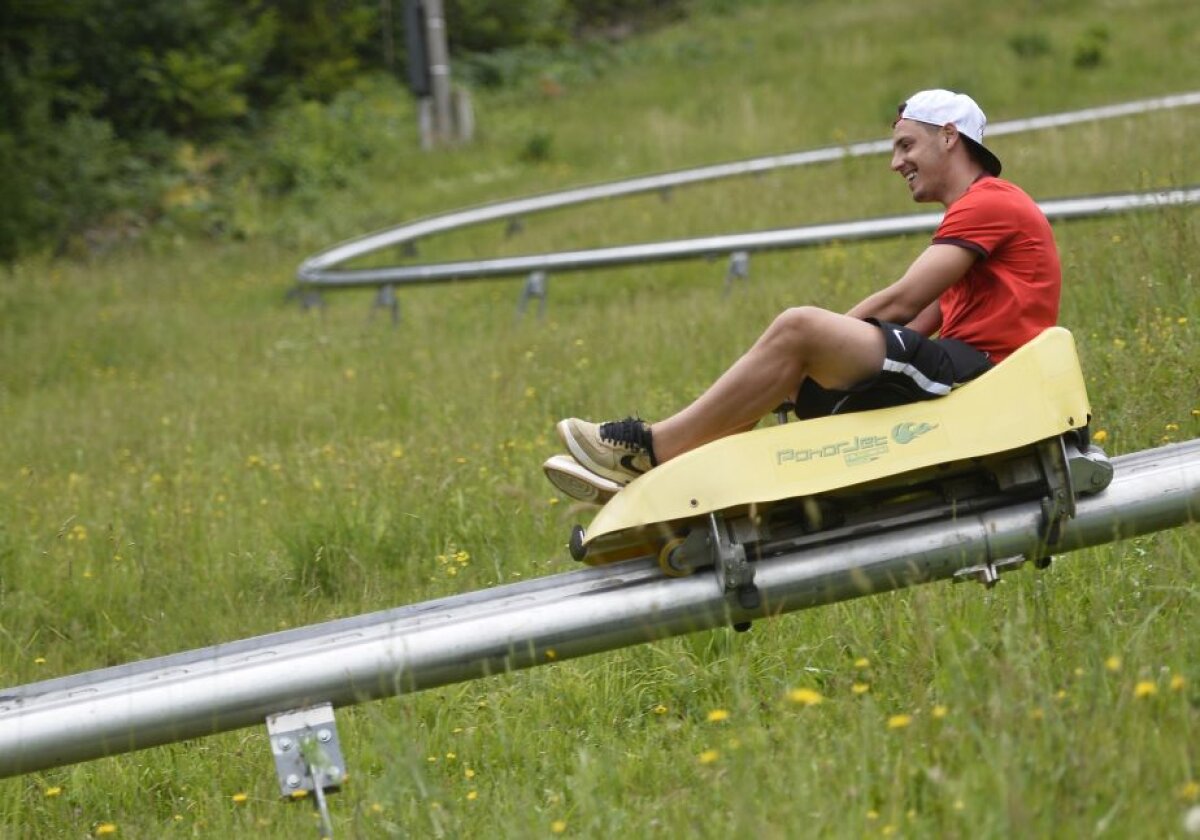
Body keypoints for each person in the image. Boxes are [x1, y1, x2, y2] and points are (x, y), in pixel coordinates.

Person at [546, 89, 1061, 500]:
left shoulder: (989, 202)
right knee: (791, 361)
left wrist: (813, 344)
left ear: (949, 137)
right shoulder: (973, 226)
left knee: (798, 329)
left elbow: (901, 305)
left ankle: (654, 448)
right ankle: (684, 477)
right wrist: (796, 368)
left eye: (906, 145)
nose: (895, 163)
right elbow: (914, 326)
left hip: (983, 373)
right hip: (963, 366)